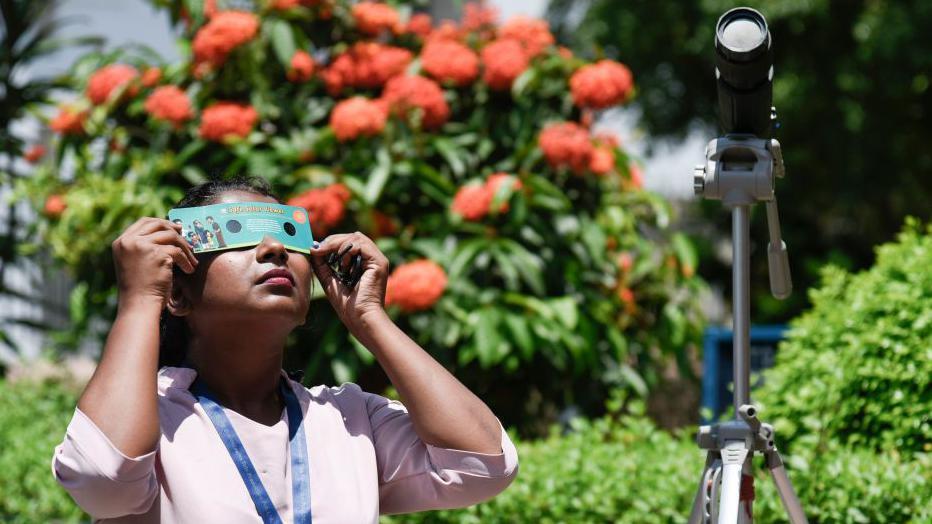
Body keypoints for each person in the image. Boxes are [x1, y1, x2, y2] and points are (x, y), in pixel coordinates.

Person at [51, 177, 518, 523]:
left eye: (287, 238)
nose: (273, 248)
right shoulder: (147, 421)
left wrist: (371, 320)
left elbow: (485, 465)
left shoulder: (350, 420)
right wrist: (137, 302)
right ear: (178, 294)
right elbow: (103, 479)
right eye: (240, 235)